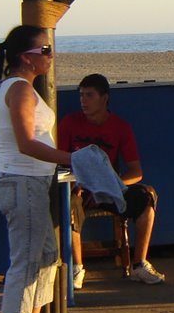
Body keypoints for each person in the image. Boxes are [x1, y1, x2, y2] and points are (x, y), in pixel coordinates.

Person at [0, 25, 74, 313]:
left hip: (34, 182)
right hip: (21, 182)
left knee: (47, 256)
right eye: (45, 50)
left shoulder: (25, 88)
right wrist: (71, 158)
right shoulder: (20, 90)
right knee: (25, 260)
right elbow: (26, 143)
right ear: (26, 58)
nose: (50, 56)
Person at [58, 73, 165, 286]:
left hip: (110, 188)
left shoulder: (120, 127)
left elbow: (136, 171)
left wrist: (112, 185)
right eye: (81, 95)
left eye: (89, 95)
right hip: (78, 187)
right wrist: (76, 183)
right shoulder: (70, 123)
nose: (83, 101)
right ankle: (77, 268)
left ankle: (139, 265)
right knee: (68, 203)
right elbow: (58, 162)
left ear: (104, 98)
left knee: (147, 196)